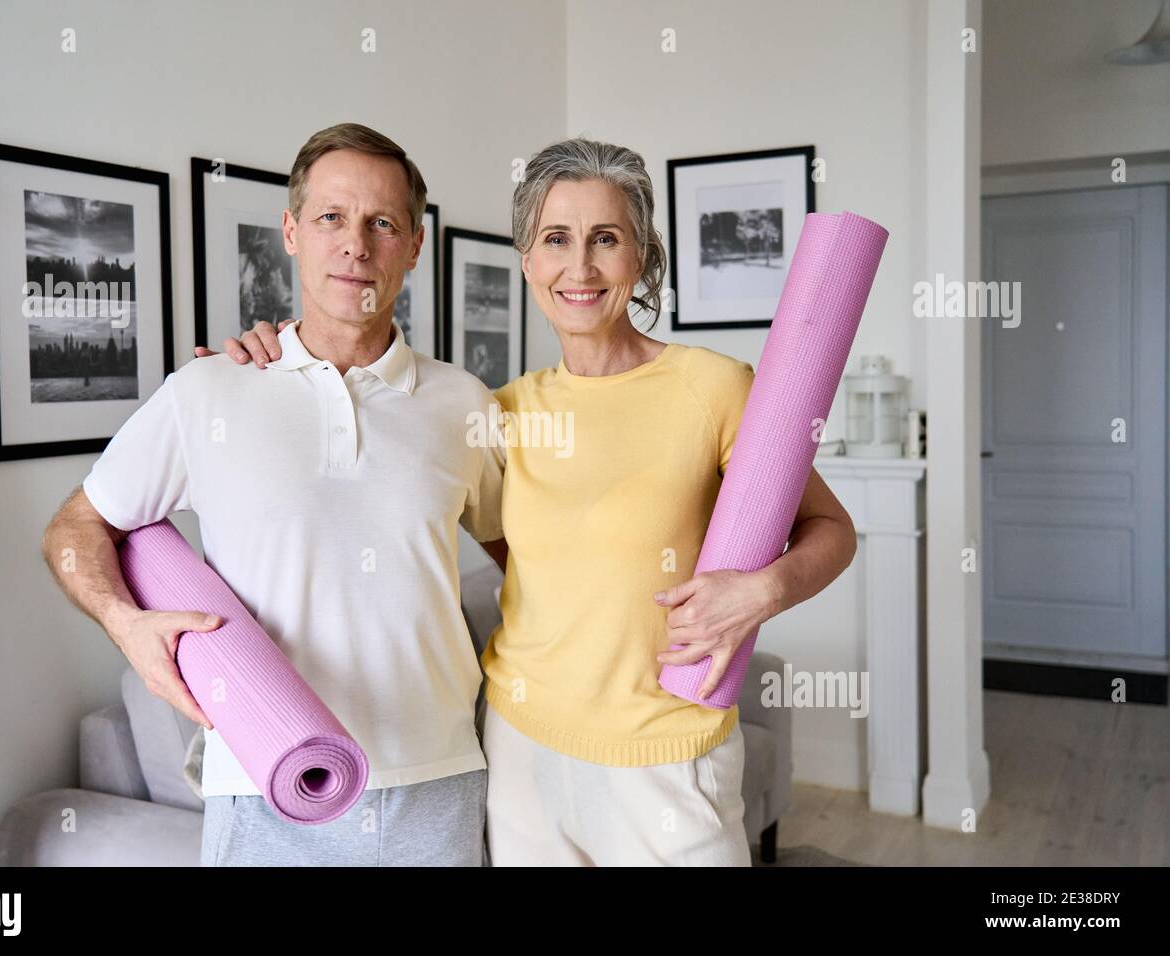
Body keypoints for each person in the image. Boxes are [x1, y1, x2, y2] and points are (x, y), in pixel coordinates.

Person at [210, 137, 857, 866]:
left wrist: (761, 591)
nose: (579, 267)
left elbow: (831, 528)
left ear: (640, 255)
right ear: (528, 260)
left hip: (670, 756)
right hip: (521, 756)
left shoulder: (715, 388)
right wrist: (265, 363)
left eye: (605, 239)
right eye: (556, 239)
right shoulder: (498, 412)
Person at [41, 123, 506, 867]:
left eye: (382, 223)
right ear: (291, 232)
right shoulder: (207, 390)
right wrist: (124, 623)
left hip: (437, 779)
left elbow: (524, 552)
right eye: (331, 218)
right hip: (265, 776)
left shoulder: (463, 402)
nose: (356, 245)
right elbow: (75, 526)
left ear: (413, 246)